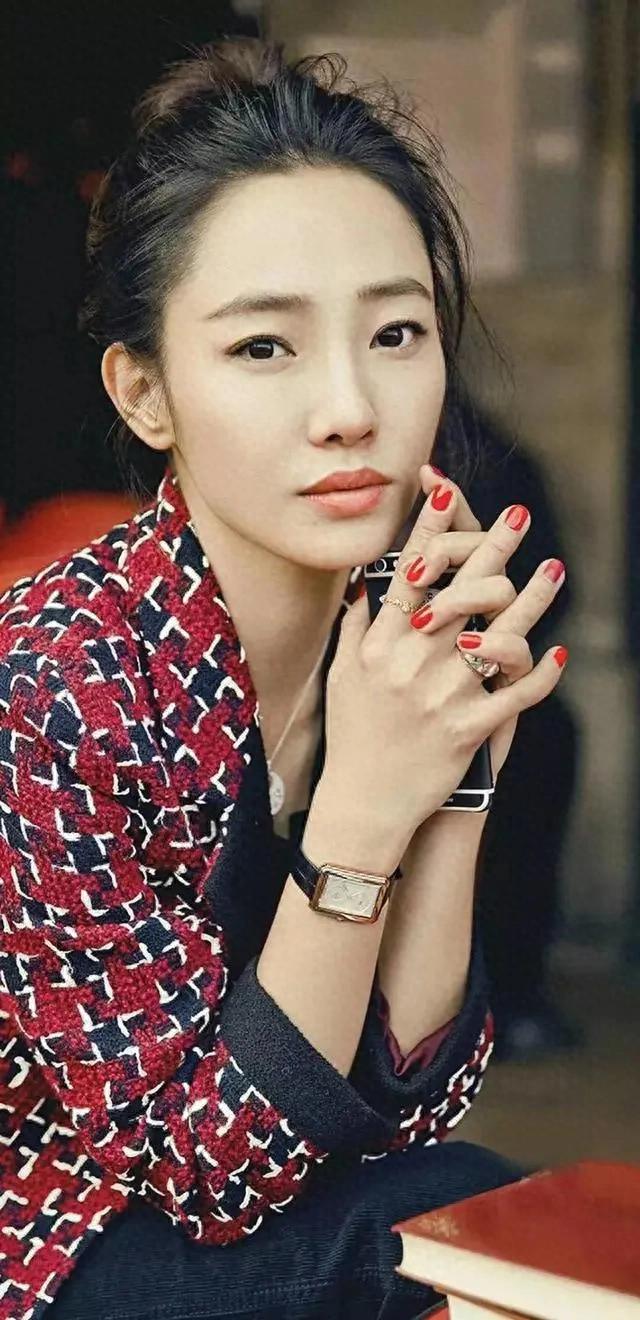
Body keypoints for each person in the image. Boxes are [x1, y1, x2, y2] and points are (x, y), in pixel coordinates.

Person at [0, 39, 570, 1320]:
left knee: (484, 1230)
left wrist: (455, 780)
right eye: (265, 348)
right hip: (46, 1243)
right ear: (145, 393)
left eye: (396, 332)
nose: (350, 406)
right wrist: (363, 809)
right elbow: (212, 1174)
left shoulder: (390, 639)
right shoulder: (53, 681)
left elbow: (412, 1102)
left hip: (254, 1217)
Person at [435, 403, 582, 1061]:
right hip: (342, 682)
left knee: (542, 740)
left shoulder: (488, 453)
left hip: (487, 677)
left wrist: (486, 659)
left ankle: (513, 992)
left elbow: (555, 587)